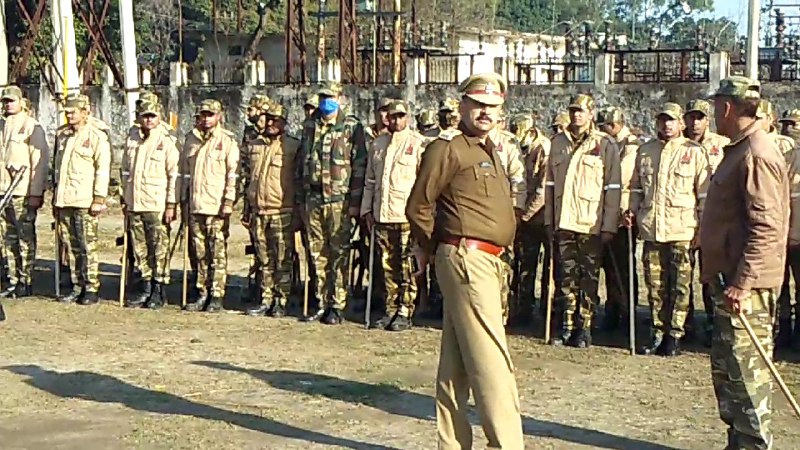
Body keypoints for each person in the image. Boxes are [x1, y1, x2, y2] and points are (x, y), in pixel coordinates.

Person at [406, 72, 523, 450]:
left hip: (486, 260)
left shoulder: (490, 149)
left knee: (456, 365)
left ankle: (452, 444)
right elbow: (419, 205)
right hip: (466, 258)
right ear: (462, 106)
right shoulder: (448, 148)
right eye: (478, 105)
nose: (485, 112)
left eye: (493, 107)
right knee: (492, 362)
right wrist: (434, 248)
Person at [702, 76, 789, 450]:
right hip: (730, 281)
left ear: (726, 108)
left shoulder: (755, 153)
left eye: (715, 107)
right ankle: (738, 441)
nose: (713, 114)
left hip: (745, 288)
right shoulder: (739, 150)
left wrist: (743, 282)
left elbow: (766, 226)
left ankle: (753, 444)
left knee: (747, 375)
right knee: (730, 373)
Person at [628, 103, 708, 357]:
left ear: (681, 123)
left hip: (682, 229)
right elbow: (636, 188)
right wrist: (631, 210)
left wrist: (701, 229)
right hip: (653, 228)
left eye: (672, 120)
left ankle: (675, 334)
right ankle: (657, 331)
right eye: (663, 120)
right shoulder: (645, 151)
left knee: (681, 286)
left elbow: (703, 195)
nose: (667, 125)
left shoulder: (693, 152)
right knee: (655, 286)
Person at [546, 94, 621, 348]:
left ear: (591, 114)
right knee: (565, 276)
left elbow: (613, 187)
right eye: (573, 110)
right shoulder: (558, 142)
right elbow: (549, 184)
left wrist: (609, 224)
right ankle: (566, 325)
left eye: (581, 111)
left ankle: (584, 326)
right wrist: (549, 220)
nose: (576, 115)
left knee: (588, 277)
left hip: (590, 222)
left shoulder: (604, 144)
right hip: (564, 221)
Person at [296, 81, 367, 325]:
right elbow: (301, 163)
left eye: (331, 97)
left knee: (339, 253)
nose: (326, 101)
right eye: (323, 97)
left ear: (340, 98)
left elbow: (359, 166)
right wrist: (301, 198)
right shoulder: (309, 125)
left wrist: (355, 202)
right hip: (313, 198)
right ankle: (321, 301)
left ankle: (337, 304)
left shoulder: (351, 126)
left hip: (339, 200)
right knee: (317, 253)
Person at [361, 100, 426, 331]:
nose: (396, 120)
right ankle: (390, 308)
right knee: (386, 266)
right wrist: (367, 210)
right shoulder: (378, 144)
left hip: (405, 216)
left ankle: (405, 311)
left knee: (407, 267)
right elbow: (370, 181)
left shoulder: (418, 143)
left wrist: (420, 216)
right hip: (382, 215)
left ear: (407, 117)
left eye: (400, 116)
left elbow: (423, 183)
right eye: (392, 116)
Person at [240, 103, 300, 318]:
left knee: (282, 259)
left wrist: (299, 212)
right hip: (259, 210)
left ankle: (281, 300)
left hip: (282, 210)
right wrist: (247, 208)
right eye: (269, 119)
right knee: (264, 259)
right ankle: (266, 299)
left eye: (276, 119)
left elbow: (299, 180)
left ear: (284, 122)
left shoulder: (293, 147)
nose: (271, 123)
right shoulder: (254, 145)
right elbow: (248, 178)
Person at [181, 99, 240, 313]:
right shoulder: (191, 139)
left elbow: (233, 175)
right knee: (199, 253)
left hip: (216, 207)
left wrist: (228, 202)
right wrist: (182, 200)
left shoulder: (227, 141)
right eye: (203, 114)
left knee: (217, 253)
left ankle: (217, 294)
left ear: (219, 116)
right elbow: (185, 173)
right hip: (195, 205)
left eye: (211, 115)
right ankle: (202, 292)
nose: (206, 119)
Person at [52, 94, 111, 305]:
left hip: (86, 200)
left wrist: (99, 198)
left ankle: (91, 287)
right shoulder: (63, 135)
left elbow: (103, 169)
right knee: (70, 245)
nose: (69, 116)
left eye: (73, 112)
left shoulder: (96, 136)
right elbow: (57, 168)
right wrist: (55, 198)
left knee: (87, 246)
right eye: (67, 112)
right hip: (65, 199)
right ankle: (77, 285)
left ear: (85, 113)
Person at [682, 99, 731, 345]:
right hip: (683, 218)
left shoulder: (722, 145)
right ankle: (685, 323)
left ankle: (713, 322)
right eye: (691, 117)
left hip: (714, 219)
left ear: (707, 119)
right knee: (682, 276)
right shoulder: (678, 145)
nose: (695, 122)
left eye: (699, 117)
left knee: (711, 275)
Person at [0, 86, 49, 298]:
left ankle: (25, 280)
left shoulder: (31, 126)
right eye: (5, 101)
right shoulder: (1, 125)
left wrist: (36, 192)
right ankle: (12, 279)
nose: (8, 105)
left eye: (11, 101)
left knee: (24, 237)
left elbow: (39, 162)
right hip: (2, 191)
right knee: (7, 238)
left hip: (22, 191)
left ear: (21, 102)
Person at [596, 106, 641, 332]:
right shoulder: (611, 143)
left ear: (613, 125)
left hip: (622, 215)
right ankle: (613, 308)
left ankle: (626, 311)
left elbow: (619, 177)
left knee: (622, 267)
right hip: (606, 212)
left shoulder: (630, 147)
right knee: (608, 266)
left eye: (602, 126)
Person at [517, 113, 553, 323]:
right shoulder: (521, 148)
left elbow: (542, 190)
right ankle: (524, 307)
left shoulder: (543, 149)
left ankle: (548, 309)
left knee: (550, 268)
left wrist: (525, 215)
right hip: (527, 219)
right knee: (526, 265)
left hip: (543, 218)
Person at [240, 94, 272, 305]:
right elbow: (244, 169)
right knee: (257, 245)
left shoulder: (274, 134)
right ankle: (257, 288)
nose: (248, 113)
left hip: (271, 197)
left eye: (251, 109)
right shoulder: (249, 134)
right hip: (252, 197)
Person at [776, 108, 800, 350]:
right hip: (782, 235)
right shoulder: (785, 157)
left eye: (794, 124)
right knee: (780, 287)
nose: (789, 128)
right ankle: (783, 329)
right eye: (786, 124)